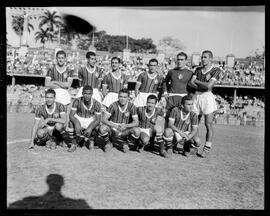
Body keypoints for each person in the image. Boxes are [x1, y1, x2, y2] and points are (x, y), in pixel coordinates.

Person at [189, 50, 222, 158]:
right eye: (202, 57)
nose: (203, 59)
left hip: (207, 97)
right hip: (197, 96)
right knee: (194, 123)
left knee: (208, 124)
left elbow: (209, 86)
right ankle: (195, 145)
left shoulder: (216, 70)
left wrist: (198, 82)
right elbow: (190, 83)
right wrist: (203, 85)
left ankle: (207, 148)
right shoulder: (197, 69)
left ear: (211, 58)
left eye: (205, 57)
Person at [99, 89, 139, 153]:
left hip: (125, 128)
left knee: (137, 131)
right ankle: (109, 142)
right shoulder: (113, 105)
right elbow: (103, 119)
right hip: (113, 128)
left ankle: (125, 143)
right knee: (102, 128)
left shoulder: (132, 106)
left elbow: (136, 122)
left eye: (125, 97)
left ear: (128, 98)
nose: (122, 99)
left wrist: (126, 125)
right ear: (118, 97)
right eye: (121, 96)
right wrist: (116, 126)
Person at [67, 86, 102, 152]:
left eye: (89, 94)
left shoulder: (97, 103)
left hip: (90, 119)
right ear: (82, 93)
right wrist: (76, 123)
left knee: (97, 125)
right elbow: (71, 115)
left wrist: (90, 128)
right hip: (79, 118)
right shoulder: (77, 101)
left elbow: (98, 119)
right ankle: (73, 143)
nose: (87, 96)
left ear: (92, 94)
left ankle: (91, 140)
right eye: (85, 93)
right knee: (70, 123)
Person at [163, 52, 194, 123]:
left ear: (186, 61)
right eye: (178, 59)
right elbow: (165, 82)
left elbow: (192, 86)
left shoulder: (190, 73)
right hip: (172, 97)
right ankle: (166, 134)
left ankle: (179, 134)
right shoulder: (171, 71)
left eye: (182, 60)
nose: (179, 61)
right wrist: (165, 92)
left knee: (180, 119)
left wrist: (191, 96)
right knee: (168, 118)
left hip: (183, 98)